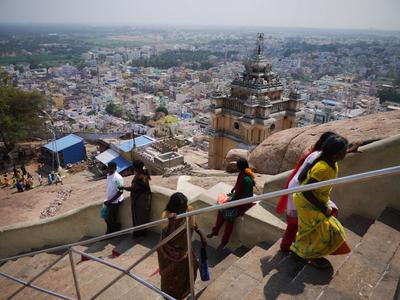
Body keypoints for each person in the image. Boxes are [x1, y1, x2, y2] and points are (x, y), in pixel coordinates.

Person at [290, 135, 351, 268]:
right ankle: (304, 254)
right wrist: (323, 208)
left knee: (312, 230)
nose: (346, 153)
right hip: (306, 201)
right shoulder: (323, 168)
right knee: (325, 230)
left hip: (314, 199)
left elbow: (304, 181)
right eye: (345, 151)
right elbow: (306, 190)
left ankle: (302, 253)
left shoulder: (330, 162)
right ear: (336, 154)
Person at [277, 132, 337, 251]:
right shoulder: (317, 156)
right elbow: (302, 177)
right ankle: (287, 247)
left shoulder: (319, 155)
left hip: (298, 188)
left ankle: (291, 245)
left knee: (297, 222)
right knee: (295, 223)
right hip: (300, 190)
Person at [157, 192, 206, 300]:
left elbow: (193, 223)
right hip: (169, 255)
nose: (184, 210)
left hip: (185, 251)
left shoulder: (187, 210)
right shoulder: (167, 216)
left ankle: (184, 294)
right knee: (172, 281)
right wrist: (171, 223)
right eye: (181, 208)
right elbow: (167, 237)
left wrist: (201, 234)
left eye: (185, 207)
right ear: (174, 207)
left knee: (188, 274)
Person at [207, 158, 255, 250]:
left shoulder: (245, 178)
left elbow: (238, 195)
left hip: (243, 203)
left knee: (228, 215)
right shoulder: (244, 174)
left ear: (239, 167)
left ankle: (224, 241)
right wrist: (233, 189)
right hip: (240, 199)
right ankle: (215, 231)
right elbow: (238, 187)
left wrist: (229, 202)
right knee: (222, 209)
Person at [121, 160, 151, 238]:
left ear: (136, 168)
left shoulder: (140, 176)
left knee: (139, 217)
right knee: (142, 217)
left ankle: (140, 234)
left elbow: (134, 188)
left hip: (140, 200)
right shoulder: (142, 174)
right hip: (144, 199)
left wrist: (123, 187)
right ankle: (142, 232)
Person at [103, 162, 124, 234]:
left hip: (115, 202)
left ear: (115, 168)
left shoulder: (117, 178)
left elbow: (120, 191)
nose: (110, 169)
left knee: (109, 218)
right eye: (109, 167)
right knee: (107, 217)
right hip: (110, 201)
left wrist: (110, 201)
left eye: (112, 167)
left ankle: (109, 234)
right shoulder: (108, 175)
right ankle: (116, 228)